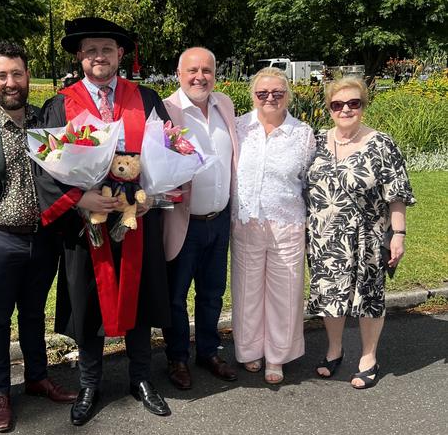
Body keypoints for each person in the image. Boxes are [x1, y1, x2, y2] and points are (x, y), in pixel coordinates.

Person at [35, 16, 172, 426]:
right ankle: (90, 382)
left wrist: (153, 195)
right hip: (85, 224)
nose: (100, 57)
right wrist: (80, 198)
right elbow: (45, 169)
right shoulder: (61, 103)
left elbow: (165, 150)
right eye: (92, 50)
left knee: (140, 293)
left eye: (107, 50)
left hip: (135, 220)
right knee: (88, 301)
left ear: (120, 55)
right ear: (80, 56)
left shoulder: (144, 97)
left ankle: (142, 379)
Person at [0, 42, 77, 433]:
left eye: (17, 74)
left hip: (43, 238)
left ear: (27, 76)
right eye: (2, 75)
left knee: (34, 313)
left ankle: (37, 377)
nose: (10, 82)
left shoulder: (46, 122)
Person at [306, 76, 415, 389]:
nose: (345, 109)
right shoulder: (316, 140)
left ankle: (368, 356)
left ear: (363, 105)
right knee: (330, 295)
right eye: (338, 104)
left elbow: (397, 193)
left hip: (367, 236)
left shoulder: (381, 143)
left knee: (368, 296)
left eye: (353, 103)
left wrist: (398, 234)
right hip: (324, 237)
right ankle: (334, 349)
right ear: (329, 108)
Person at [161, 47, 239, 390]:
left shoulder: (224, 105)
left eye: (207, 70)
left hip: (218, 220)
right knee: (176, 297)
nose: (200, 77)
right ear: (179, 74)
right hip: (184, 222)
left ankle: (208, 350)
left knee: (212, 293)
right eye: (192, 70)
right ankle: (177, 358)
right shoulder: (166, 110)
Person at [231, 68, 315, 384]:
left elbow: (309, 179)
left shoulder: (302, 133)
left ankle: (278, 356)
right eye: (262, 93)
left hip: (288, 222)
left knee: (285, 291)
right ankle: (249, 350)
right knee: (247, 290)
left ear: (287, 96)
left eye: (277, 93)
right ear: (253, 95)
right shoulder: (239, 127)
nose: (270, 98)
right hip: (246, 221)